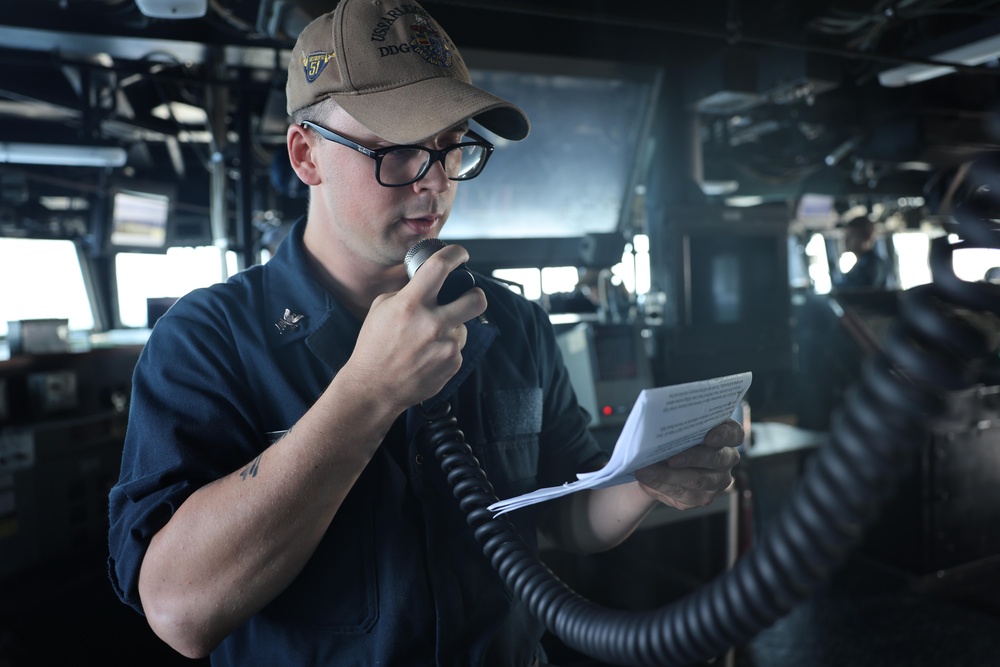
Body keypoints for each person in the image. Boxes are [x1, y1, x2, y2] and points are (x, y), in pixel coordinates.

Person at [107, 1, 744, 665]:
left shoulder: (511, 321)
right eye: (401, 150)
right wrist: (367, 394)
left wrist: (644, 479)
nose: (436, 183)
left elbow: (566, 517)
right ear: (306, 156)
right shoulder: (206, 339)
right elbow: (179, 610)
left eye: (453, 148)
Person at [836, 215, 890, 290]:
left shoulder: (872, 265)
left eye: (851, 236)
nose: (845, 241)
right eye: (845, 236)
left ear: (866, 237)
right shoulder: (863, 263)